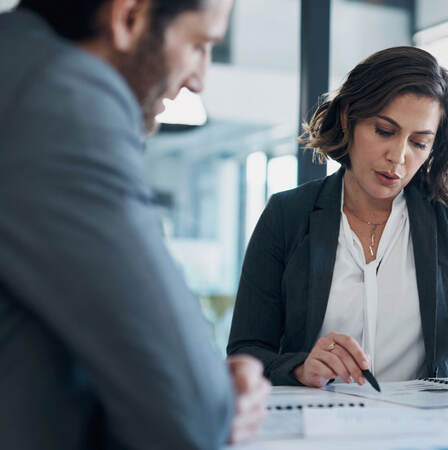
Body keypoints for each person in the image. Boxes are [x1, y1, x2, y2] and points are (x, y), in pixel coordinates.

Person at [228, 46, 448, 400]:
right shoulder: (287, 214)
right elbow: (247, 350)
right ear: (349, 117)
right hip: (315, 424)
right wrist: (301, 367)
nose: (398, 157)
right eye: (383, 131)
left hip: (423, 427)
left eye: (419, 142)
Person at [0, 0, 270, 448]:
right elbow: (190, 417)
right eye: (199, 45)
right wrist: (208, 392)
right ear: (130, 18)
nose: (199, 80)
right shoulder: (58, 96)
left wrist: (191, 381)